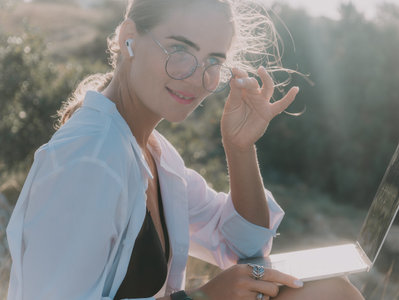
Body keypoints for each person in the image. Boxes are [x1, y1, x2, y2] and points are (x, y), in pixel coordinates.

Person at [6, 0, 365, 299]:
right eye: (180, 50)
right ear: (129, 37)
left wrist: (239, 148)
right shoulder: (87, 160)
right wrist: (201, 297)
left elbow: (244, 250)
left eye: (213, 62)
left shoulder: (156, 155)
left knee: (330, 290)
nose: (197, 77)